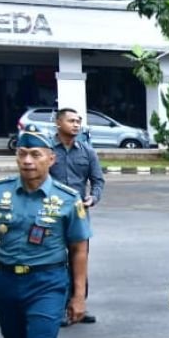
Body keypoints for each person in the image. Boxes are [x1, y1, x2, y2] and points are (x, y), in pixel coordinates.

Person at [0, 124, 91, 338]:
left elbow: (79, 249)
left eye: (35, 154)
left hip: (48, 283)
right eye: (22, 154)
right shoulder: (1, 192)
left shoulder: (66, 199)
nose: (27, 161)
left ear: (50, 159)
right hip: (6, 281)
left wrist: (78, 295)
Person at [49, 107, 103, 325]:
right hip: (51, 214)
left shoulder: (87, 151)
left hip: (79, 215)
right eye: (71, 120)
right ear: (58, 123)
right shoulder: (47, 150)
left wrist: (93, 198)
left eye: (78, 121)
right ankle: (60, 308)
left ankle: (79, 304)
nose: (76, 124)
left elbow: (98, 181)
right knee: (56, 261)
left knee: (78, 260)